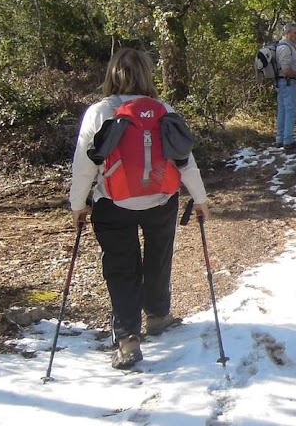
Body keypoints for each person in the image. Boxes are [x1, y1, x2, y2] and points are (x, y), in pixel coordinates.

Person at [68, 48, 211, 370]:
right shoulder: (164, 109)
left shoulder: (99, 112)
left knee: (122, 267)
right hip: (161, 199)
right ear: (148, 74)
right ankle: (158, 316)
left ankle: (128, 338)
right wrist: (200, 198)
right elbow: (184, 159)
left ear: (112, 75)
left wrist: (78, 204)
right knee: (159, 256)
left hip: (113, 202)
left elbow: (84, 163)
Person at [273, 23, 296, 153]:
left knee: (283, 110)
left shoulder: (286, 46)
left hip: (284, 83)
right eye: (294, 33)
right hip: (287, 82)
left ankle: (280, 139)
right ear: (287, 33)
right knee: (290, 111)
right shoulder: (285, 48)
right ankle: (288, 141)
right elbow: (286, 69)